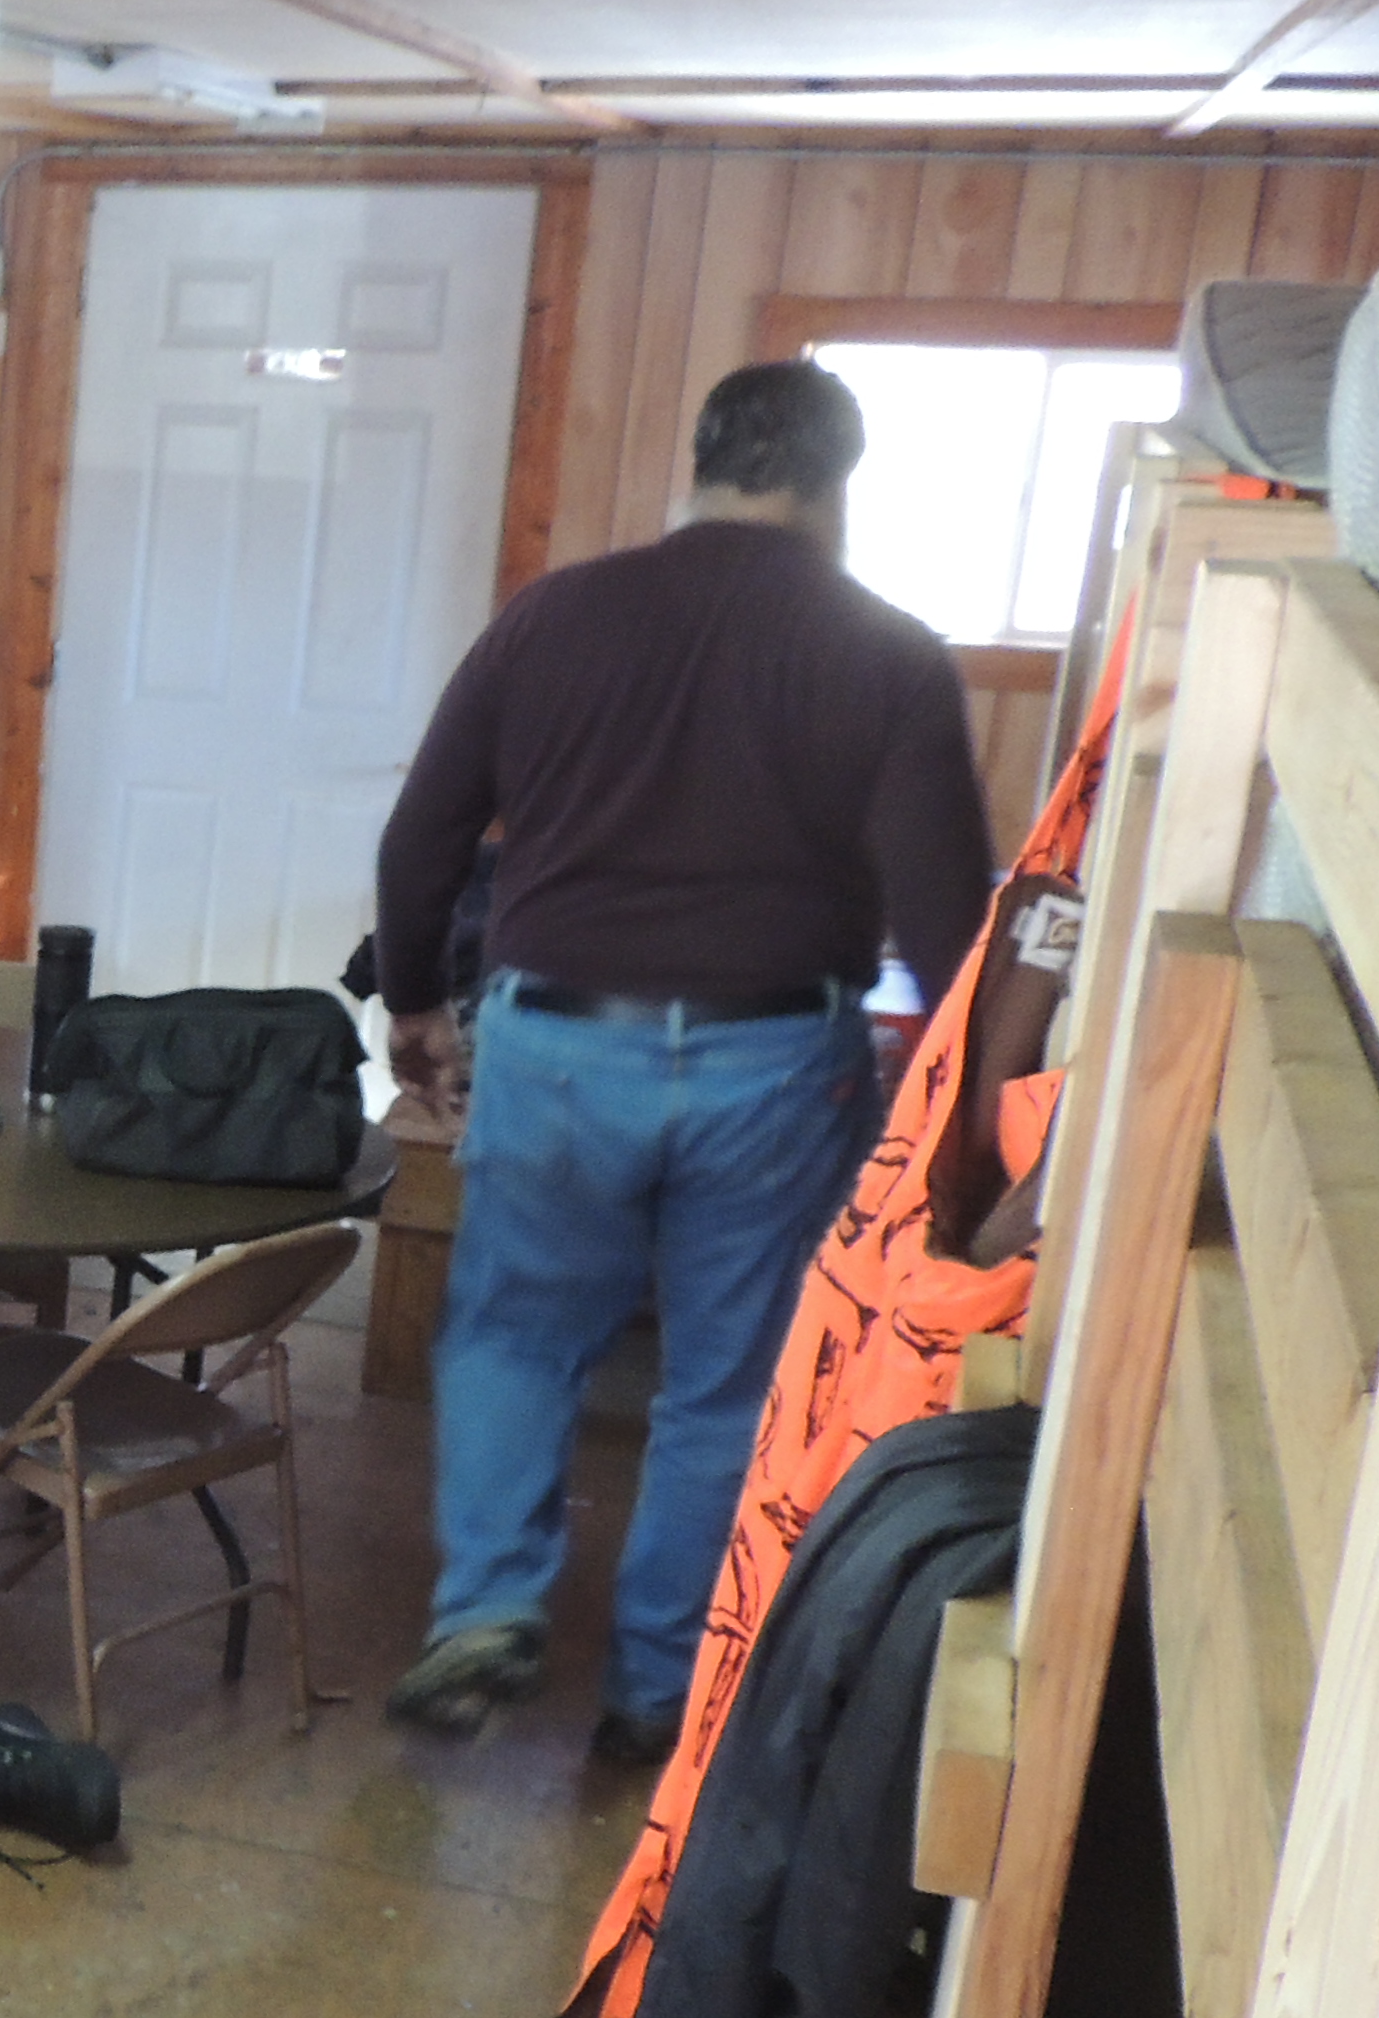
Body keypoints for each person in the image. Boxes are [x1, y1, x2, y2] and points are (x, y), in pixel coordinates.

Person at [370, 360, 994, 1762]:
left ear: (699, 462)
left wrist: (414, 1002)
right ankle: (661, 1687)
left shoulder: (554, 617)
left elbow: (421, 841)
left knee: (514, 1334)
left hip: (556, 1046)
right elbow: (954, 925)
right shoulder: (889, 655)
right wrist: (964, 1113)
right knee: (726, 1382)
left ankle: (487, 1609)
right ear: (837, 484)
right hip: (778, 1060)